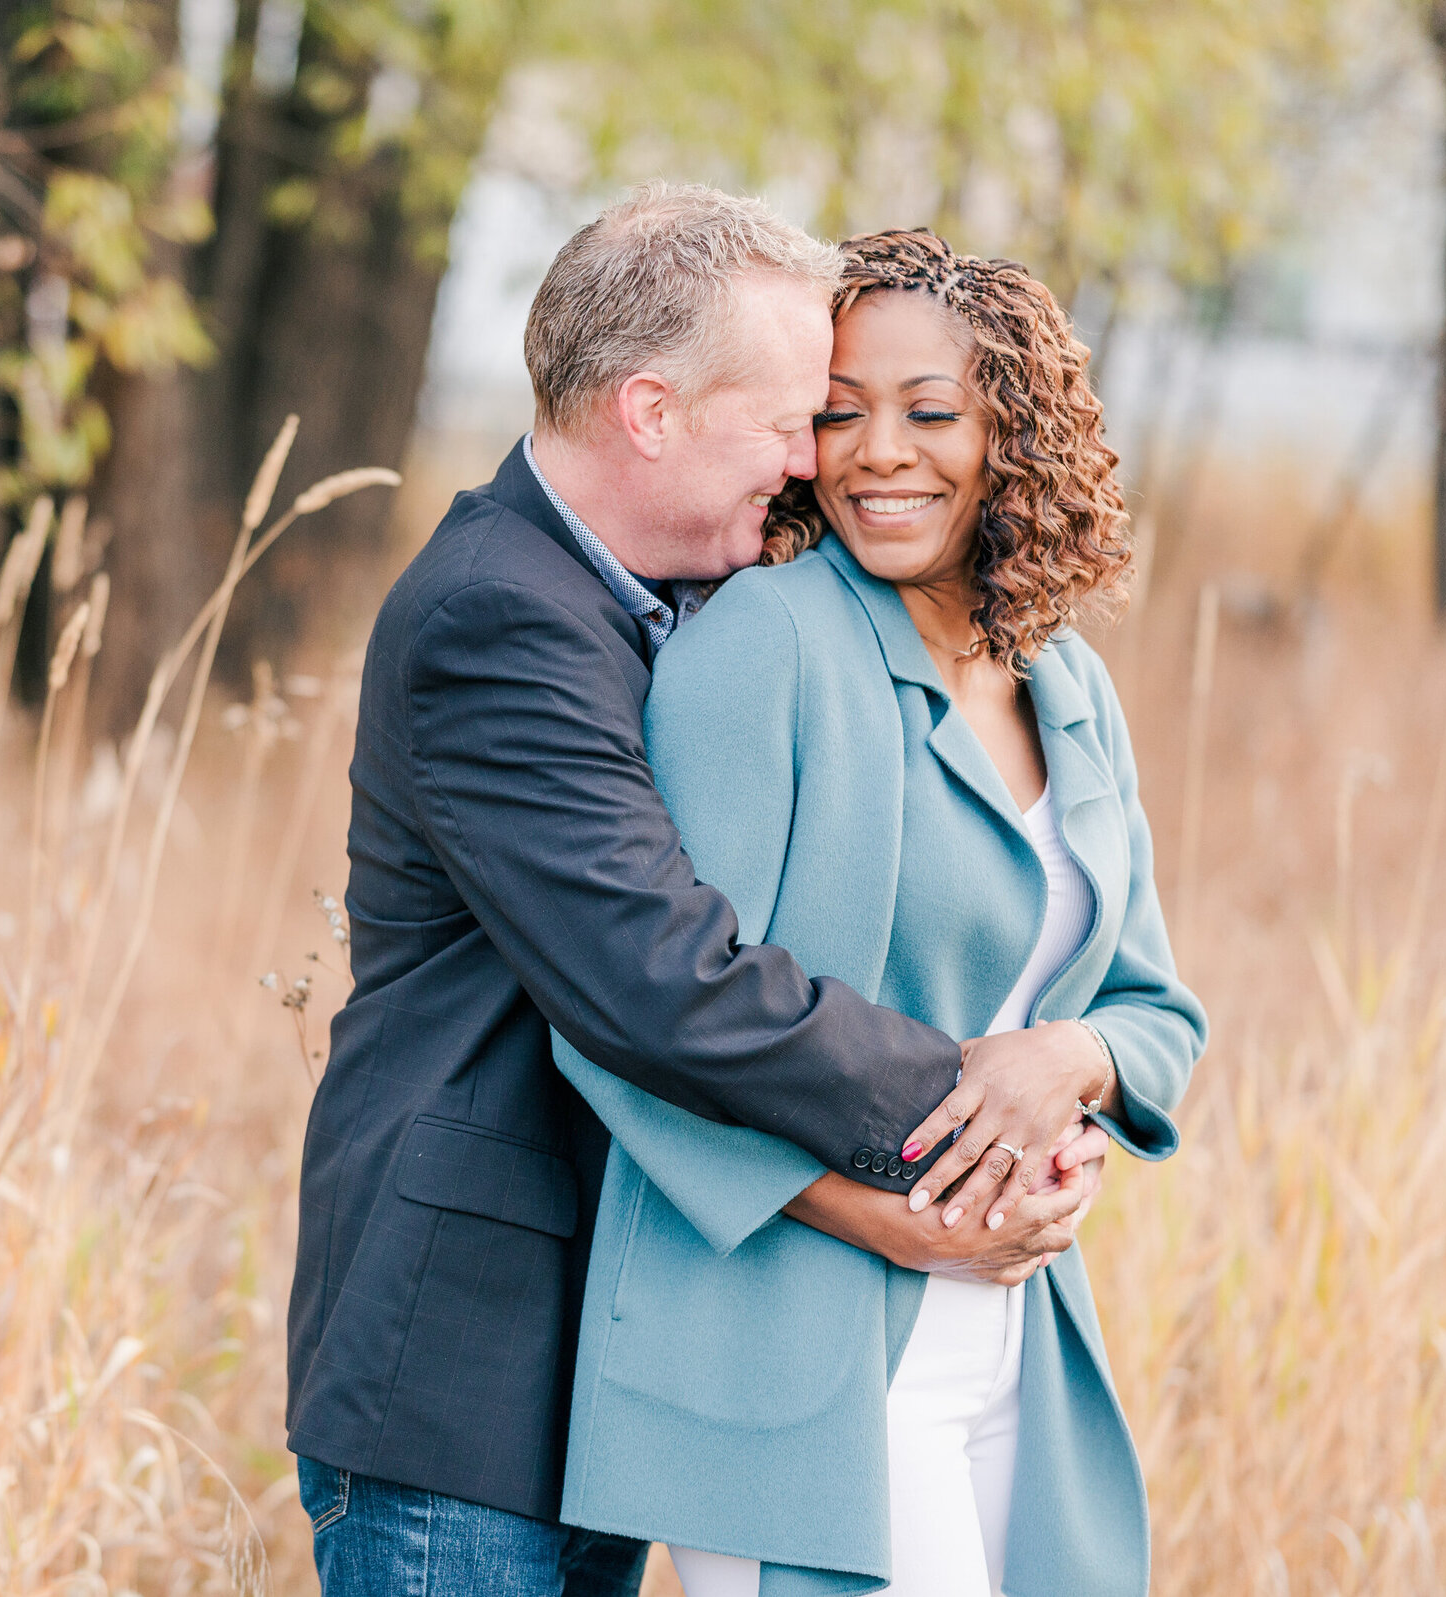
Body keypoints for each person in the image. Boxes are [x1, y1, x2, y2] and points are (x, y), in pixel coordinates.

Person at [288, 189, 1124, 1597]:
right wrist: (979, 1104)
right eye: (796, 414)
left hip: (609, 1350)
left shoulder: (660, 598)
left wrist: (1074, 1057)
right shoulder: (496, 615)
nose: (818, 460)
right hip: (465, 1369)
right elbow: (665, 976)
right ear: (651, 411)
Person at [551, 229, 1208, 1597]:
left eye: (930, 411)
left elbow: (1154, 1012)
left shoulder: (1068, 685)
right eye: (839, 413)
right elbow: (633, 1024)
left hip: (1019, 1339)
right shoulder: (765, 647)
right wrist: (892, 1216)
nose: (876, 452)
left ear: (1013, 435)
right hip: (784, 1359)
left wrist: (1061, 1058)